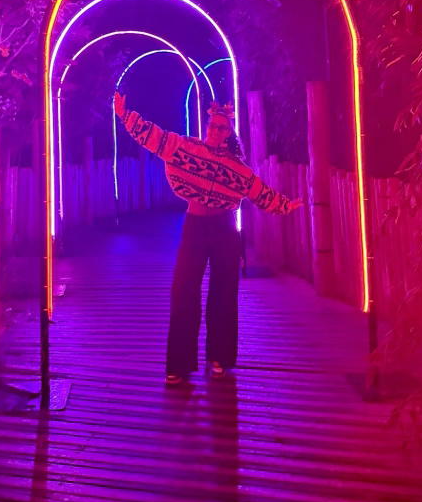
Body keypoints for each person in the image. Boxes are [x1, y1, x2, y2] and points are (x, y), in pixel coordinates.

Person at [114, 91, 302, 385]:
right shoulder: (186, 148)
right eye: (212, 126)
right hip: (195, 225)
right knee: (184, 291)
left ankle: (219, 358)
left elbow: (259, 192)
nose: (216, 131)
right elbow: (157, 137)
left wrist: (284, 205)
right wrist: (127, 116)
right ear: (206, 127)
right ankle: (178, 364)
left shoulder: (237, 168)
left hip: (226, 230)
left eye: (222, 128)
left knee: (224, 293)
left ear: (229, 133)